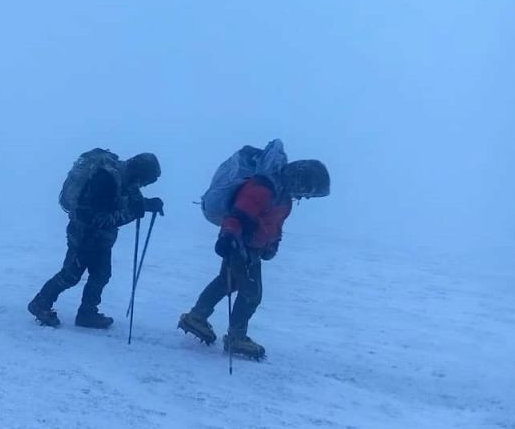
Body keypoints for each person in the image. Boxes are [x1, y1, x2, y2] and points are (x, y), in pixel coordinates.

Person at [178, 153, 330, 360]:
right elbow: (239, 213)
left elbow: (274, 225)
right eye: (308, 191)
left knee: (227, 282)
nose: (305, 197)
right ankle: (235, 336)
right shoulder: (263, 189)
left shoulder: (283, 198)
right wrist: (228, 236)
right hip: (239, 244)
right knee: (251, 292)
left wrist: (272, 245)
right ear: (300, 179)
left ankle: (197, 316)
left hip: (252, 248)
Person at [28, 151, 163, 329]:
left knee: (101, 274)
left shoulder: (127, 178)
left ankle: (87, 313)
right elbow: (99, 218)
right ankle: (40, 303)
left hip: (101, 239)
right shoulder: (106, 180)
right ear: (139, 173)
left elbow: (127, 201)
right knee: (71, 275)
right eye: (144, 181)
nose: (142, 185)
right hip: (84, 235)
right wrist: (135, 212)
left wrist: (147, 204)